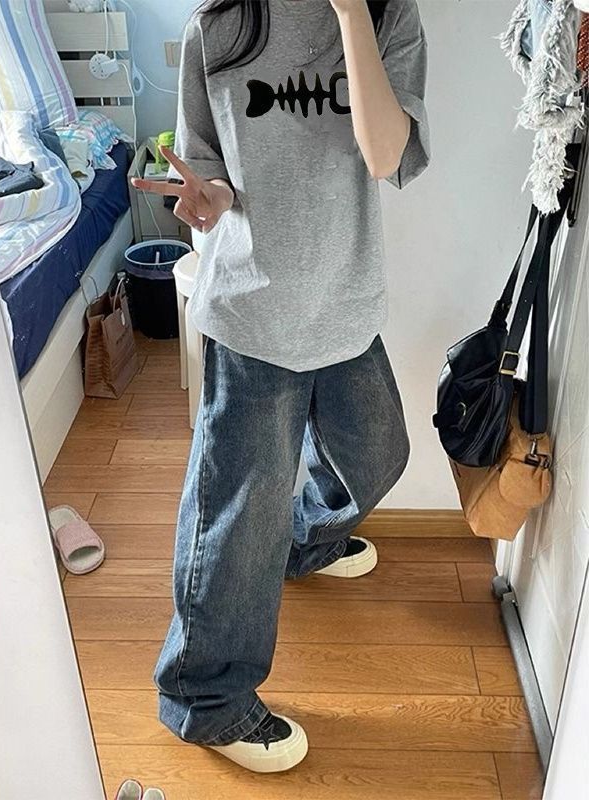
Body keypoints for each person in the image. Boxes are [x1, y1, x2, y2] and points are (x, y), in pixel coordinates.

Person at [131, 0, 430, 774]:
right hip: (251, 310)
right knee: (237, 514)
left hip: (344, 303)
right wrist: (209, 200)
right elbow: (211, 171)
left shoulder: (389, 15)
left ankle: (302, 541)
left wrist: (351, 13)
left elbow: (386, 155)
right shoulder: (218, 27)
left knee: (378, 454)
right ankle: (205, 697)